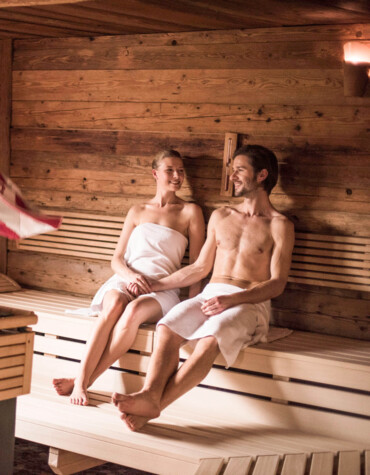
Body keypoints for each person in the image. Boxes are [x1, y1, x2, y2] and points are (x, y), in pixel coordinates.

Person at [112, 144, 295, 431]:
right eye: (232, 170)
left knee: (211, 337)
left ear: (261, 175)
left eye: (239, 170)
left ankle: (155, 407)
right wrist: (156, 285)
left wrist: (233, 300)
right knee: (166, 327)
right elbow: (199, 268)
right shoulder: (221, 216)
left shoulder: (279, 225)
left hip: (249, 303)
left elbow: (277, 283)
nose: (232, 176)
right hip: (212, 294)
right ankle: (148, 395)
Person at [53, 150, 205, 405]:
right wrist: (132, 276)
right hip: (127, 279)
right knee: (114, 305)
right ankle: (79, 380)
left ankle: (85, 382)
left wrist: (194, 307)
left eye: (181, 171)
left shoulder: (190, 212)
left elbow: (197, 267)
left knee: (133, 312)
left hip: (162, 288)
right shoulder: (137, 210)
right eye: (170, 170)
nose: (177, 176)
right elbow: (117, 259)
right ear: (155, 174)